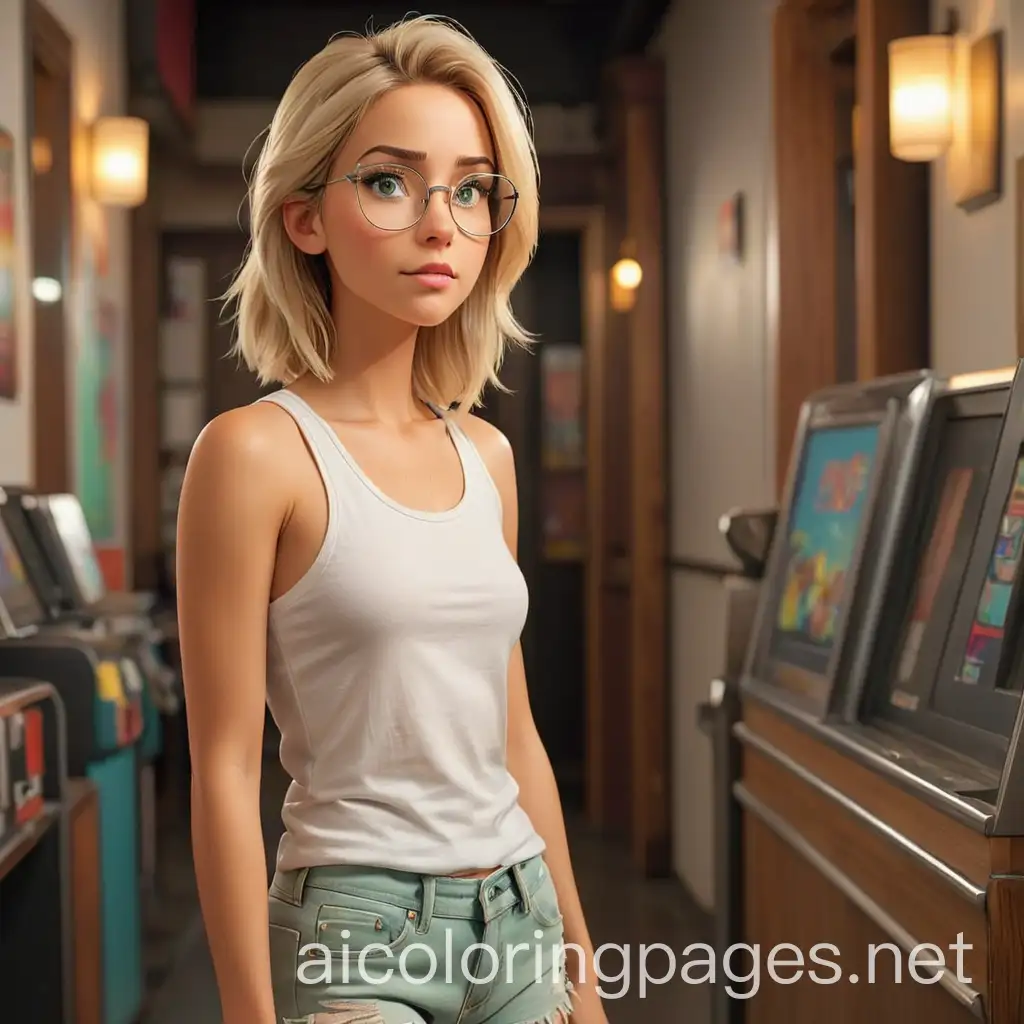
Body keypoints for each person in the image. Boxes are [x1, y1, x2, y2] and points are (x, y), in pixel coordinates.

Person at [175, 15, 608, 1024]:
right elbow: (223, 767)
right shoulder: (251, 455)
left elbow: (513, 737)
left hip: (518, 913)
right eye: (388, 181)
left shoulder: (486, 457)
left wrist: (582, 971)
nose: (440, 222)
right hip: (354, 934)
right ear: (304, 218)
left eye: (469, 188)